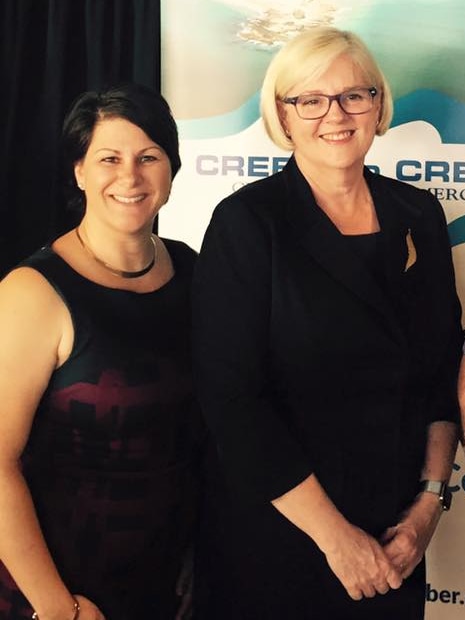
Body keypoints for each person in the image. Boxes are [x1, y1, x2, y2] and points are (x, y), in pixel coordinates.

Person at [191, 26, 462, 619]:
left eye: (353, 96)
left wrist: (427, 510)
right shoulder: (247, 224)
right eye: (310, 100)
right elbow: (232, 402)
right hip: (278, 544)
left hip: (397, 545)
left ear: (378, 105)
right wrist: (337, 540)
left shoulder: (418, 214)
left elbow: (442, 375)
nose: (334, 114)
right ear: (283, 117)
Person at [0, 83, 204, 620]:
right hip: (53, 591)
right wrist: (56, 606)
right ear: (80, 171)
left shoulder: (194, 273)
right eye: (109, 158)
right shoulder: (32, 291)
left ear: (171, 170)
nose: (130, 177)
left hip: (164, 584)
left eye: (148, 157)